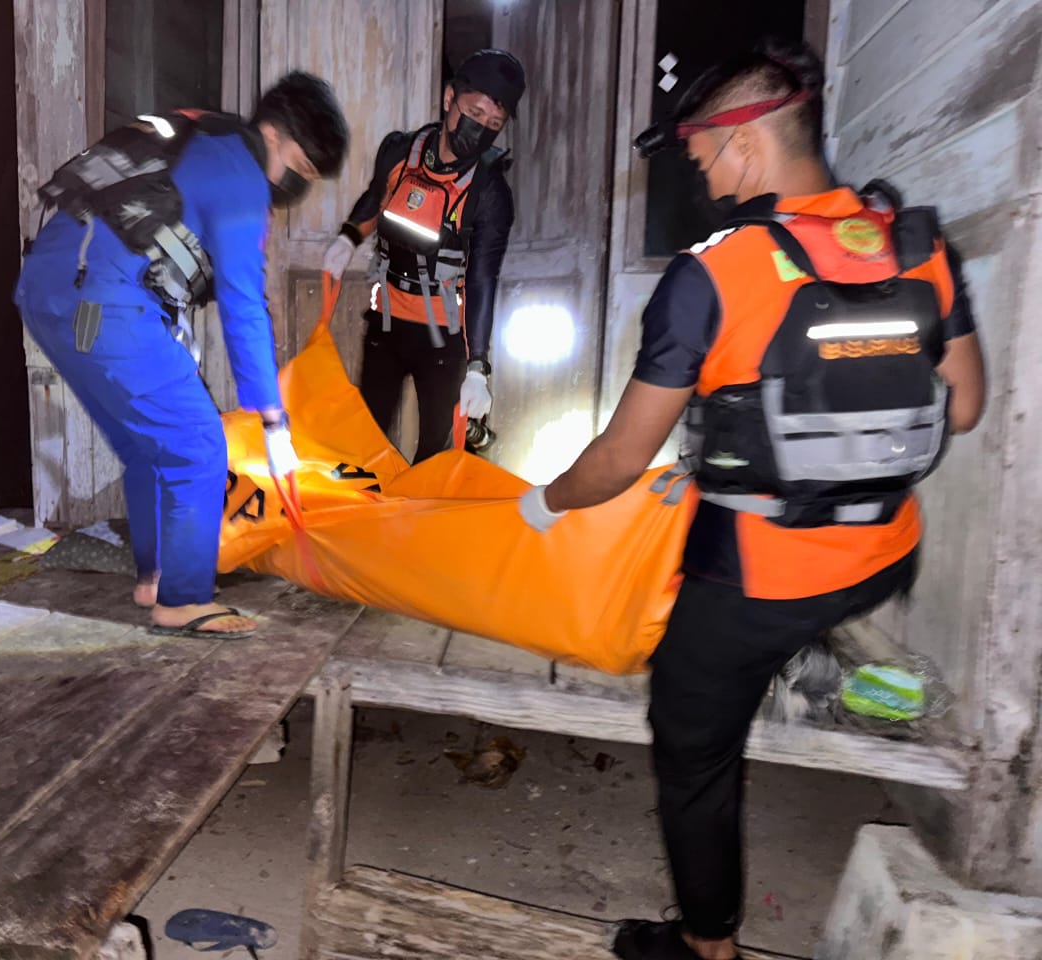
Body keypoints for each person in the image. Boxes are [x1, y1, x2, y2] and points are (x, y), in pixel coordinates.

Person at [519, 38, 985, 960]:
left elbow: (619, 458)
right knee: (749, 566)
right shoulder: (917, 244)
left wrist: (547, 504)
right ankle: (802, 657)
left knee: (690, 741)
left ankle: (708, 946)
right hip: (884, 555)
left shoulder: (714, 273)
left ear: (744, 143)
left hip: (763, 577)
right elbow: (963, 409)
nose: (703, 179)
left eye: (701, 157)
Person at [14, 73, 348, 639]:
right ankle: (185, 600)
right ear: (275, 134)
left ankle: (156, 577)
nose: (293, 184)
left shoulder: (202, 135)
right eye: (301, 168)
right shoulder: (242, 175)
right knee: (196, 445)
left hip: (48, 289)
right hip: (103, 299)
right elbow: (244, 304)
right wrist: (272, 417)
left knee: (149, 446)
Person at [323, 49, 524, 462]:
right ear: (450, 99)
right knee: (368, 439)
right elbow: (375, 198)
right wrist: (347, 237)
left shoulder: (489, 192)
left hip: (444, 339)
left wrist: (478, 366)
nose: (481, 129)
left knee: (435, 453)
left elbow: (483, 278)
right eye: (475, 112)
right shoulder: (400, 152)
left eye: (494, 124)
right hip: (386, 323)